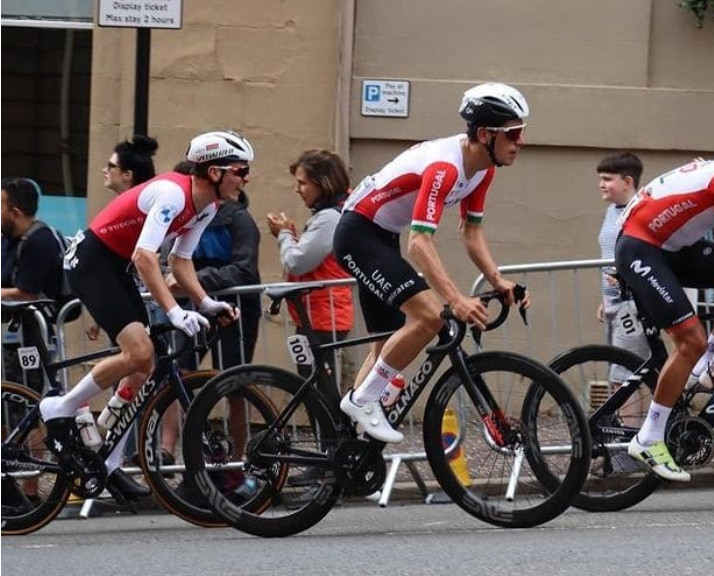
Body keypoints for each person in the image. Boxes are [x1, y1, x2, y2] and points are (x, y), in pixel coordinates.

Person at [38, 130, 249, 501]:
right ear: (215, 172)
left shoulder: (208, 207)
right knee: (138, 352)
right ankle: (62, 406)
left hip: (116, 264)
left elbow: (181, 262)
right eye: (240, 170)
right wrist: (174, 310)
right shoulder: (172, 194)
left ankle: (105, 457)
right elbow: (145, 257)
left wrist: (204, 302)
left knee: (143, 366)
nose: (246, 178)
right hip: (92, 260)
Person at [333, 82, 530, 443]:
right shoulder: (446, 168)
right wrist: (455, 299)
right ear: (485, 134)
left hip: (382, 235)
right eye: (513, 134)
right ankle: (361, 401)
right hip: (358, 233)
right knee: (429, 315)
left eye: (521, 133)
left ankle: (348, 451)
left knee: (386, 346)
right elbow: (420, 243)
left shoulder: (484, 169)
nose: (520, 143)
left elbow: (471, 233)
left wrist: (498, 280)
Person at [615, 158, 714, 482]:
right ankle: (649, 438)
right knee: (691, 341)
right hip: (642, 249)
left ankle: (707, 362)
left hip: (671, 245)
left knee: (700, 345)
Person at [266, 149, 354, 411]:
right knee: (317, 386)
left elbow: (296, 261)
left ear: (322, 182)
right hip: (321, 313)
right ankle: (331, 442)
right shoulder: (333, 212)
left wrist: (283, 235)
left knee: (319, 391)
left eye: (302, 183)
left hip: (322, 316)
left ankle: (331, 443)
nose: (298, 189)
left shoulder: (328, 218)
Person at [1, 177, 64, 392]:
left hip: (30, 336)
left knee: (24, 400)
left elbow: (26, 293)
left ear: (15, 212)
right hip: (9, 334)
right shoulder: (7, 239)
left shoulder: (40, 241)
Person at [595, 152, 650, 374]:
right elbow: (611, 255)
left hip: (633, 304)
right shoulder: (611, 211)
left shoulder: (641, 211)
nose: (601, 184)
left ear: (628, 182)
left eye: (607, 179)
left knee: (626, 374)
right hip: (614, 303)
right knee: (618, 370)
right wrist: (605, 297)